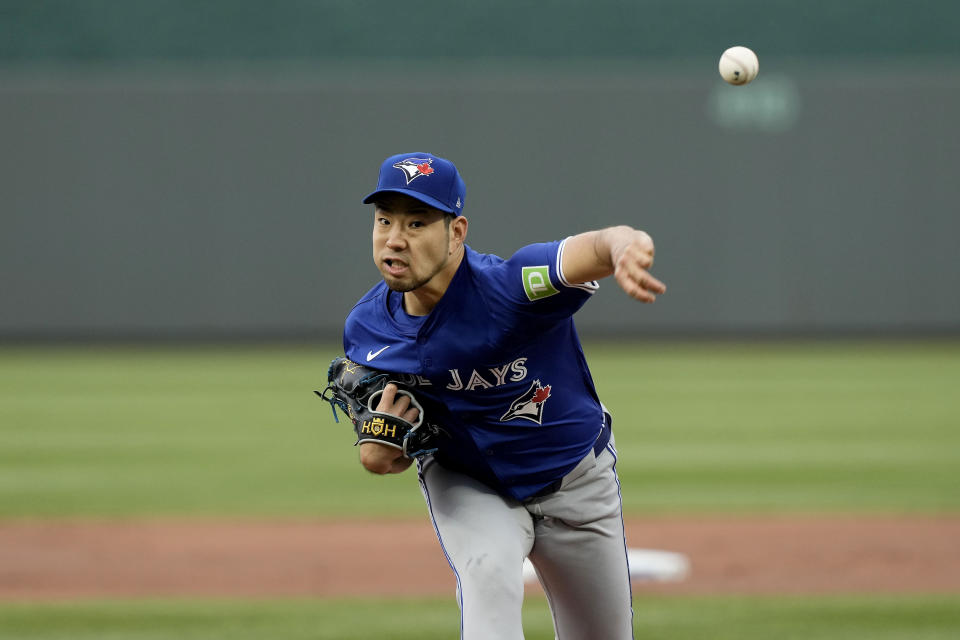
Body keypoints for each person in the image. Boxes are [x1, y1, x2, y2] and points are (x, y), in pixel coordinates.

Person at [341, 152, 666, 639]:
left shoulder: (511, 287)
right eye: (384, 220)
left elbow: (595, 247)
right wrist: (378, 448)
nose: (394, 238)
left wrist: (625, 246)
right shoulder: (368, 328)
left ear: (456, 232)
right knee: (488, 571)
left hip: (575, 477)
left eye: (417, 222)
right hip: (471, 483)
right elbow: (380, 450)